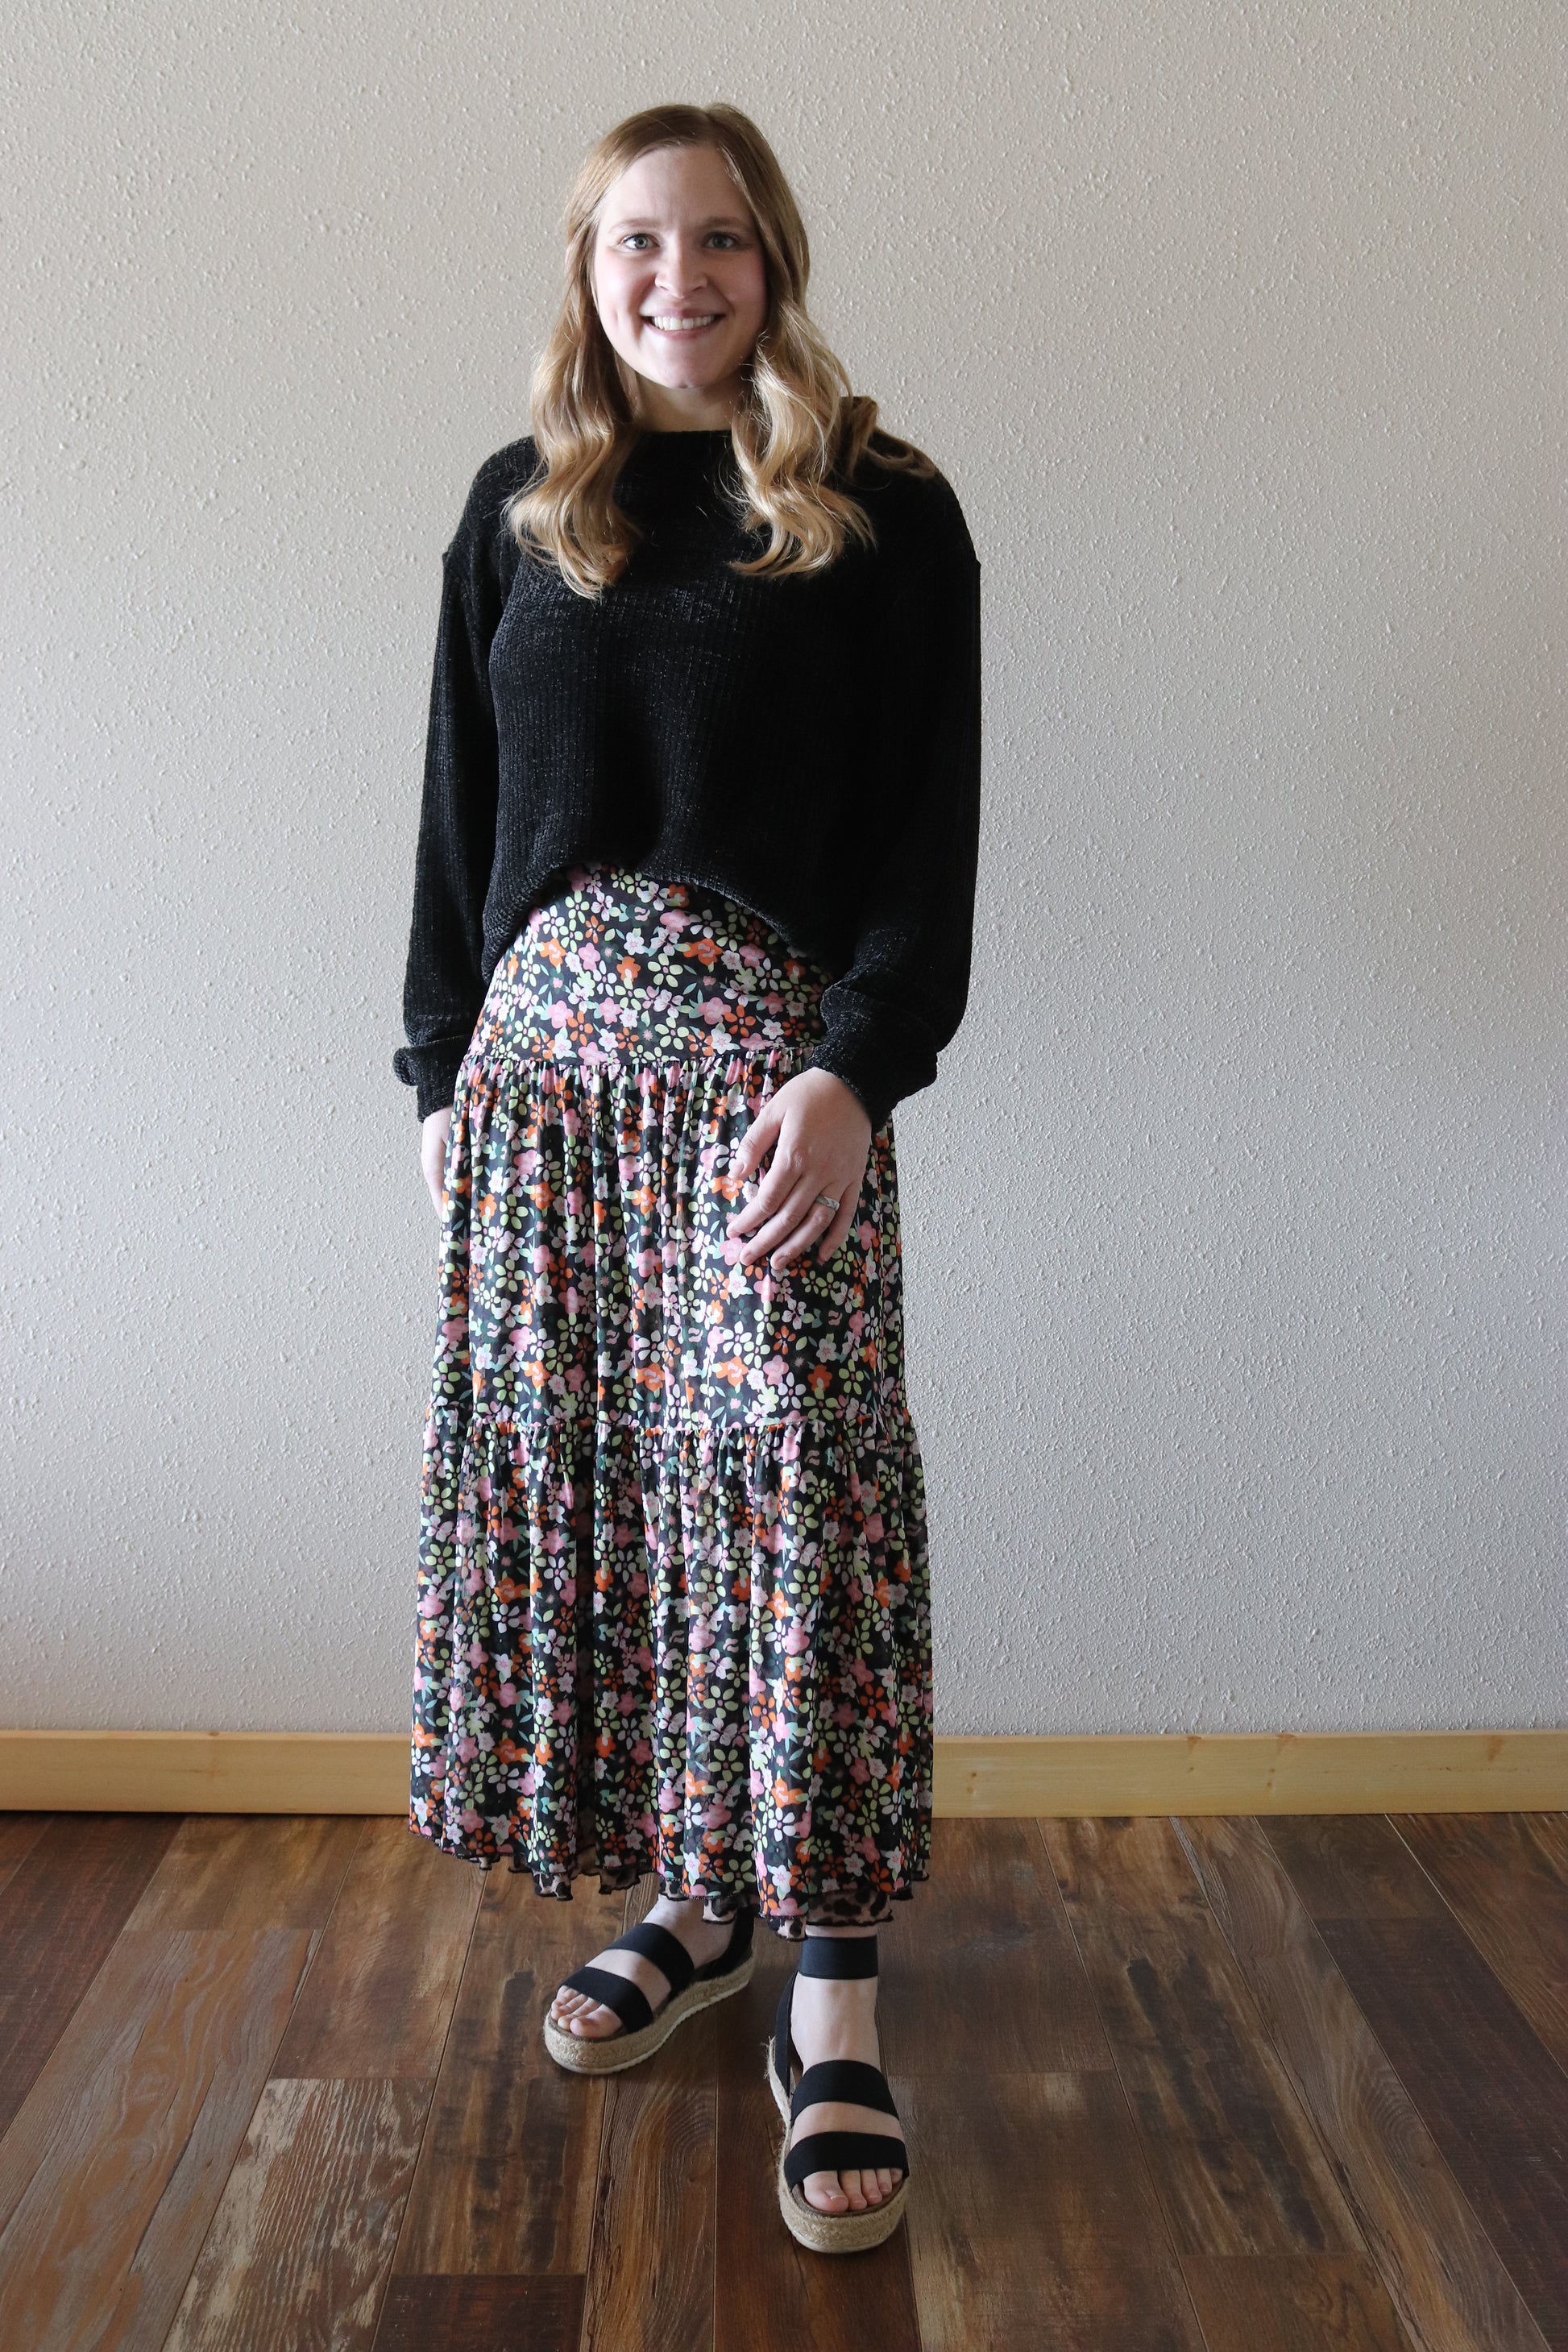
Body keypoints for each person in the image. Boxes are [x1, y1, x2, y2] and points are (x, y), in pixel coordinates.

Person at [392, 102, 981, 2255]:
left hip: (766, 1094)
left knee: (798, 1510)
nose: (678, 277)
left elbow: (927, 833)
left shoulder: (881, 510)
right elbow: (457, 818)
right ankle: (698, 1900)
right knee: (633, 1511)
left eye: (718, 238)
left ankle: (832, 1993)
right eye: (636, 240)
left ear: (772, 261)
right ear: (588, 267)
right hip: (544, 1092)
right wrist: (436, 1068)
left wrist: (856, 1076)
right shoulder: (518, 510)